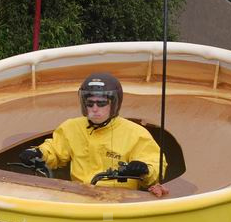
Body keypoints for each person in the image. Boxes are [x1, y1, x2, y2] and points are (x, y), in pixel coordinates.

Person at [18, 73, 168, 197]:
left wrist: (144, 169)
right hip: (78, 196)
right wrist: (39, 153)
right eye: (90, 103)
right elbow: (55, 150)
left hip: (120, 201)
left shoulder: (135, 133)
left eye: (101, 103)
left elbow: (155, 165)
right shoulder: (72, 127)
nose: (95, 109)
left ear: (114, 104)